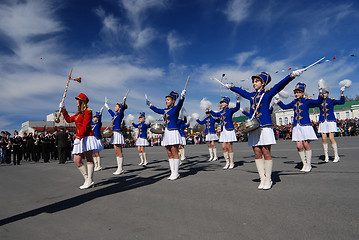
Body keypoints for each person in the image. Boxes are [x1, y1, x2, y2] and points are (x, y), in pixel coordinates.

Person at [226, 70, 303, 189]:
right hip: (253, 127)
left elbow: (279, 85)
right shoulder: (251, 95)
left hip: (265, 126)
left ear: (263, 83)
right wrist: (231, 87)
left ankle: (268, 179)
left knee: (266, 152)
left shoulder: (267, 94)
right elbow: (242, 91)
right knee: (257, 152)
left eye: (256, 81)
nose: (254, 83)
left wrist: (291, 76)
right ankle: (262, 179)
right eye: (253, 81)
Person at [277, 82, 323, 173]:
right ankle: (304, 163)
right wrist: (278, 100)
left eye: (298, 92)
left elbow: (318, 102)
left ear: (302, 93)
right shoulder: (294, 102)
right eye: (295, 92)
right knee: (299, 146)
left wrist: (320, 93)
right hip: (296, 126)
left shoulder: (307, 101)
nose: (296, 94)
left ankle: (308, 164)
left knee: (306, 144)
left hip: (305, 125)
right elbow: (285, 107)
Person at [60, 93, 101, 189]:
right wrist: (63, 110)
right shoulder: (78, 113)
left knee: (88, 158)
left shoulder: (88, 112)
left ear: (82, 101)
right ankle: (87, 179)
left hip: (87, 137)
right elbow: (69, 119)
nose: (76, 101)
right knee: (76, 160)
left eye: (77, 99)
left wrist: (78, 136)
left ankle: (89, 180)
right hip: (80, 137)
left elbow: (86, 126)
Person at [147, 90, 186, 180]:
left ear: (173, 101)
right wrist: (150, 105)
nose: (166, 101)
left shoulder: (175, 108)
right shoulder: (165, 110)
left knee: (174, 151)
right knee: (169, 152)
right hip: (166, 132)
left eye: (168, 100)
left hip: (173, 131)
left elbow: (180, 104)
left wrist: (182, 97)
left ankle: (176, 173)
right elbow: (157, 110)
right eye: (166, 100)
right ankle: (172, 172)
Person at [315, 86, 345, 162]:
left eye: (325, 93)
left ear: (328, 94)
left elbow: (341, 102)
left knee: (331, 138)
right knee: (324, 139)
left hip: (330, 120)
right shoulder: (319, 101)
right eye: (323, 93)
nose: (324, 95)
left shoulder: (332, 101)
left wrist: (341, 94)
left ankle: (336, 156)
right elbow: (311, 104)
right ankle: (326, 156)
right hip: (322, 121)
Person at [209, 96, 240, 170]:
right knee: (223, 147)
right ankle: (227, 162)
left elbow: (237, 108)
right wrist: (210, 110)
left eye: (223, 102)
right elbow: (215, 115)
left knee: (229, 146)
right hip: (223, 130)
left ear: (227, 104)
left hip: (229, 129)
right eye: (221, 102)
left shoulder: (230, 110)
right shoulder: (221, 112)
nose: (222, 104)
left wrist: (238, 100)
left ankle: (232, 162)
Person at [105, 97, 128, 175]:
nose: (115, 107)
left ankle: (120, 168)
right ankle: (119, 167)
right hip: (114, 133)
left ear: (119, 108)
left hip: (118, 133)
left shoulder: (120, 113)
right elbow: (111, 112)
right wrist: (107, 107)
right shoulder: (115, 115)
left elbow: (123, 108)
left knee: (119, 151)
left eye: (116, 106)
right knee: (116, 151)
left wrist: (124, 100)